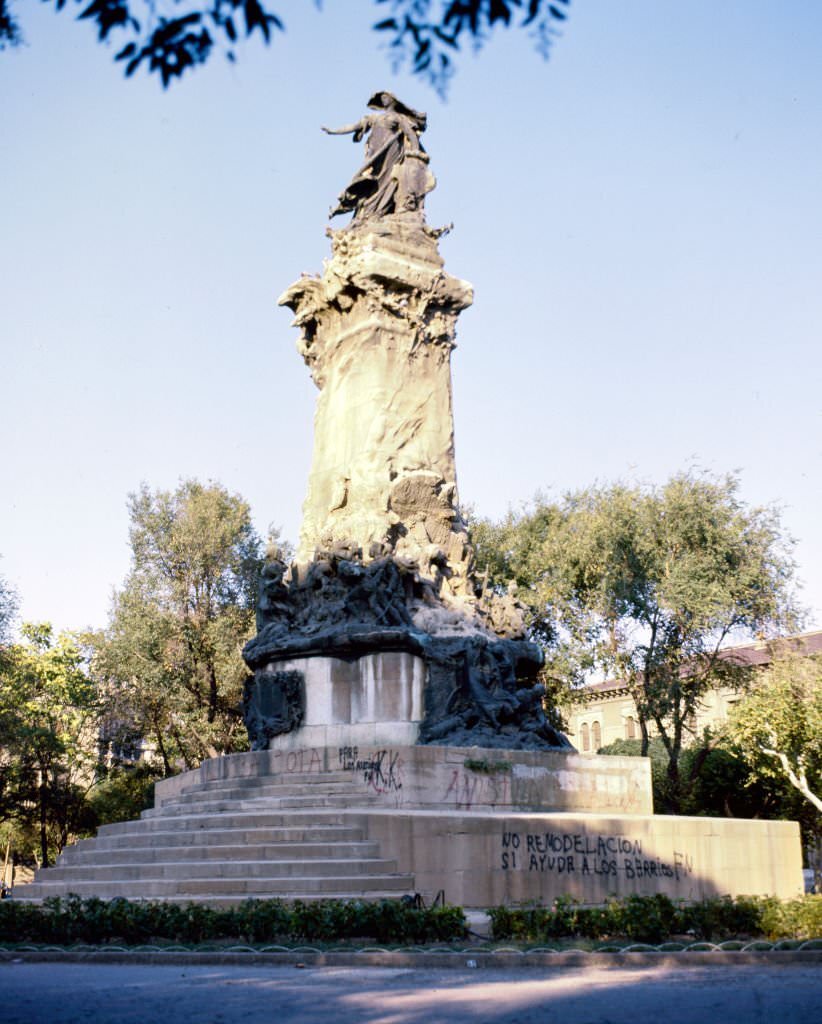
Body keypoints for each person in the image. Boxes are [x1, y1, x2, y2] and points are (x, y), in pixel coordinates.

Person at [323, 91, 435, 222]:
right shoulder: (375, 118)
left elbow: (411, 135)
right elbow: (354, 126)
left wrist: (415, 156)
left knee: (387, 179)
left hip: (390, 151)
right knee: (370, 178)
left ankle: (379, 210)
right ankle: (367, 210)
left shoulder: (398, 118)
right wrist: (333, 131)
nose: (384, 100)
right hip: (375, 153)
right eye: (382, 98)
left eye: (386, 97)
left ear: (393, 100)